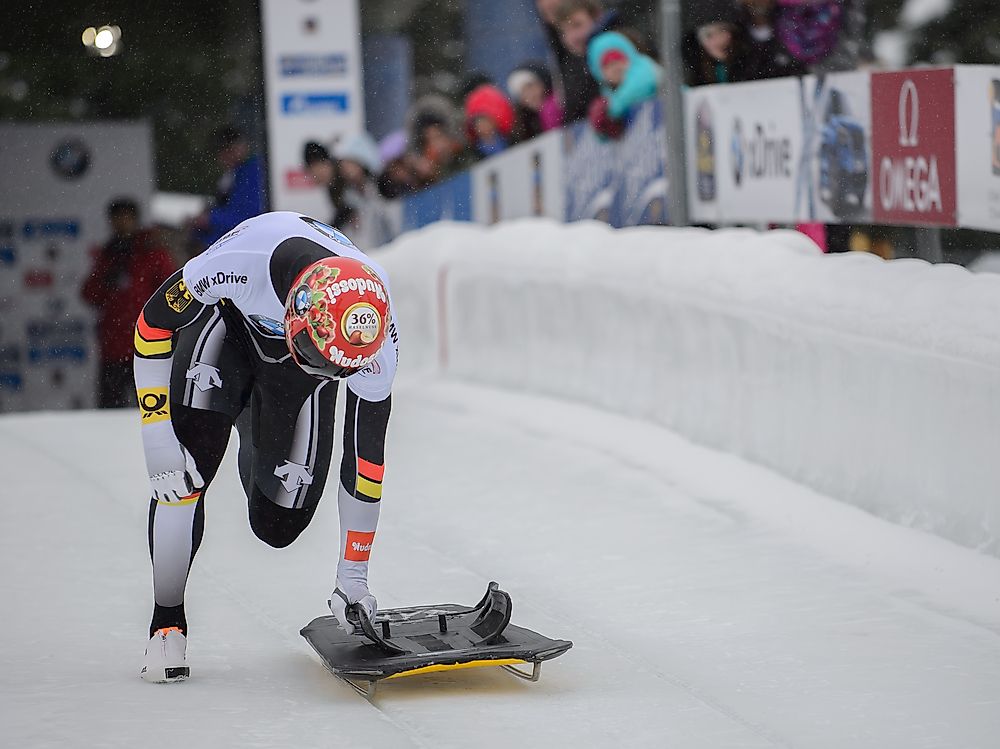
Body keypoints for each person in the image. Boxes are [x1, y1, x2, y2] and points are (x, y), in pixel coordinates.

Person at [135, 211, 398, 683]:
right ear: (296, 315)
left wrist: (353, 578)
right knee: (182, 475)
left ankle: (250, 420)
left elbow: (365, 459)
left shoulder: (375, 334)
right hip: (227, 330)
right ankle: (166, 621)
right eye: (327, 363)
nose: (335, 375)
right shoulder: (238, 262)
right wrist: (155, 432)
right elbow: (152, 325)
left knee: (278, 525)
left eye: (344, 371)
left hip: (295, 374)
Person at [81, 198, 176, 408]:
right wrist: (105, 280)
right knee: (110, 412)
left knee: (155, 409)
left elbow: (171, 291)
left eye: (127, 217)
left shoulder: (152, 252)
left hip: (147, 343)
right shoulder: (108, 254)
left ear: (135, 220)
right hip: (113, 345)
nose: (122, 222)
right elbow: (89, 294)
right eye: (117, 218)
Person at [191, 126, 267, 247]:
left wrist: (210, 218)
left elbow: (249, 216)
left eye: (226, 150)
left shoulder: (253, 172)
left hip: (245, 244)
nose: (222, 158)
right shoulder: (234, 175)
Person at [585, 31, 662, 139]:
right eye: (608, 64)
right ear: (599, 72)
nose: (616, 67)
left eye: (618, 59)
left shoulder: (644, 67)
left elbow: (641, 85)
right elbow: (604, 137)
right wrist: (602, 128)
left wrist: (610, 109)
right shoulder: (609, 92)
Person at [507, 63, 563, 142]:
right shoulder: (528, 120)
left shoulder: (555, 104)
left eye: (530, 87)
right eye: (522, 93)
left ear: (542, 83)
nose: (529, 95)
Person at [464, 84, 516, 158]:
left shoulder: (510, 138)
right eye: (479, 123)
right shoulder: (474, 152)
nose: (483, 126)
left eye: (486, 121)